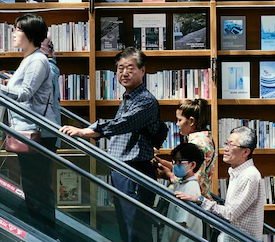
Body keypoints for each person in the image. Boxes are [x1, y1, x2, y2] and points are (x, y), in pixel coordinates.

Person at [60, 47, 162, 242]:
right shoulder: (127, 99)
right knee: (126, 229)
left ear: (143, 71)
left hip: (135, 172)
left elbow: (121, 125)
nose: (124, 73)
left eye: (130, 68)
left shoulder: (146, 101)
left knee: (136, 231)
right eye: (120, 68)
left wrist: (84, 132)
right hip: (122, 171)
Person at [0, 13, 58, 235]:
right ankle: (41, 233)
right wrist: (7, 81)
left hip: (38, 135)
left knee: (37, 190)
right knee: (33, 189)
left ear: (29, 34)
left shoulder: (38, 60)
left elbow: (24, 93)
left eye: (17, 30)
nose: (13, 34)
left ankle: (45, 235)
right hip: (28, 133)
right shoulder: (30, 59)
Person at [176, 126, 264, 242]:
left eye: (231, 145)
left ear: (245, 152)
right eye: (226, 143)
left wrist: (200, 200)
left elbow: (230, 214)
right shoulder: (237, 173)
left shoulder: (249, 176)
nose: (225, 148)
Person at [155, 99, 215, 198]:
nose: (177, 124)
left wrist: (169, 175)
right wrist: (166, 164)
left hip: (194, 200)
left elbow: (195, 177)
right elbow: (188, 169)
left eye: (180, 120)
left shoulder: (200, 144)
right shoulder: (201, 139)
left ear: (191, 121)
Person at [161, 143, 204, 242]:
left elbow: (182, 223)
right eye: (175, 161)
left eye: (180, 161)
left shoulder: (191, 187)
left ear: (193, 165)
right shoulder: (181, 183)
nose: (176, 165)